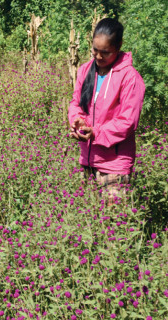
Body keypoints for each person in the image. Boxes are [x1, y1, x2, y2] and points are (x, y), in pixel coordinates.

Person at [68, 18, 145, 202]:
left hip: (115, 166)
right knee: (87, 223)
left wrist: (95, 133)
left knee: (112, 224)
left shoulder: (130, 78)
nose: (98, 56)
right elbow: (75, 103)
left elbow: (128, 122)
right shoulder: (85, 70)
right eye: (95, 50)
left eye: (105, 52)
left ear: (118, 47)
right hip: (87, 160)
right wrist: (76, 120)